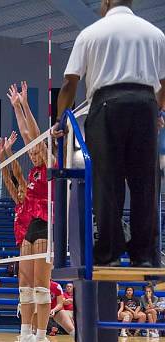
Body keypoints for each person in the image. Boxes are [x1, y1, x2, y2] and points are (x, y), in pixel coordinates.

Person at [55, 0, 165, 267]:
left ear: (105, 3)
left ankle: (109, 253)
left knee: (107, 182)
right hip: (144, 105)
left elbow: (70, 82)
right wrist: (157, 111)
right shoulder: (154, 33)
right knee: (145, 184)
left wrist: (61, 120)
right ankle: (145, 256)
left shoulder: (91, 33)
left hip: (106, 106)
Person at [0, 81, 53, 342]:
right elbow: (26, 137)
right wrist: (15, 108)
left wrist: (24, 105)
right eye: (30, 152)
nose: (33, 153)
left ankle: (42, 340)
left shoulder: (50, 164)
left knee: (42, 290)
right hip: (30, 228)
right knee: (27, 290)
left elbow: (33, 134)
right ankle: (27, 337)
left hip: (47, 226)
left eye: (36, 150)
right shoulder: (32, 173)